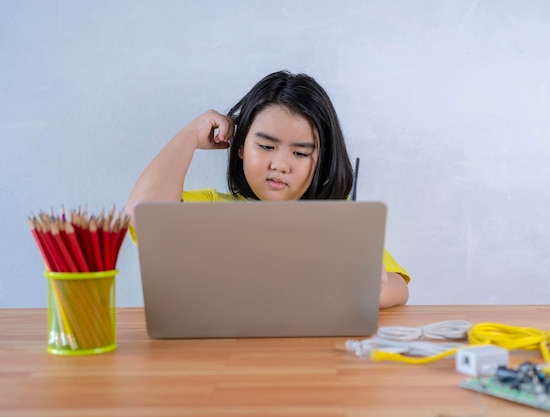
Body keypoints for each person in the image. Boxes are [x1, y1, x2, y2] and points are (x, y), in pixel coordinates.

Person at [125, 70, 409, 309]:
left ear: (321, 160)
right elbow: (144, 215)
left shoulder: (338, 218)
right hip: (223, 359)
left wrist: (375, 287)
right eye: (266, 146)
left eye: (300, 153)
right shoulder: (209, 208)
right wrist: (190, 135)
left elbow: (398, 286)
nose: (281, 164)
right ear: (240, 147)